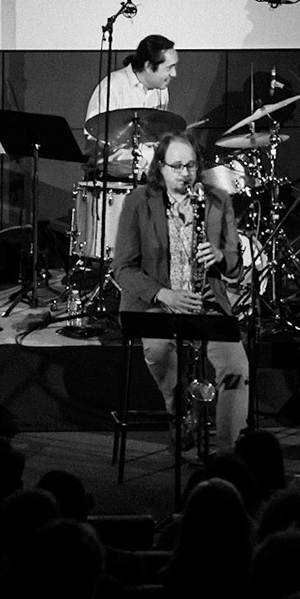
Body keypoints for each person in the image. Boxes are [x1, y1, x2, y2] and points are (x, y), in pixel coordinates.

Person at [112, 132, 250, 447]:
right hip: (157, 305)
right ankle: (179, 407)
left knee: (237, 368)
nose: (184, 174)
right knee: (158, 350)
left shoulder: (217, 199)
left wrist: (219, 256)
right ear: (159, 167)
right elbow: (123, 267)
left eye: (189, 166)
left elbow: (235, 267)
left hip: (206, 303)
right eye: (176, 166)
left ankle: (229, 453)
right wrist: (165, 294)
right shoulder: (139, 201)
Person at [83, 33, 178, 179]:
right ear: (148, 66)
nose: (174, 73)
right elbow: (94, 134)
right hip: (109, 175)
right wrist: (138, 155)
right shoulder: (113, 86)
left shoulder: (162, 91)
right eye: (169, 68)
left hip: (145, 172)